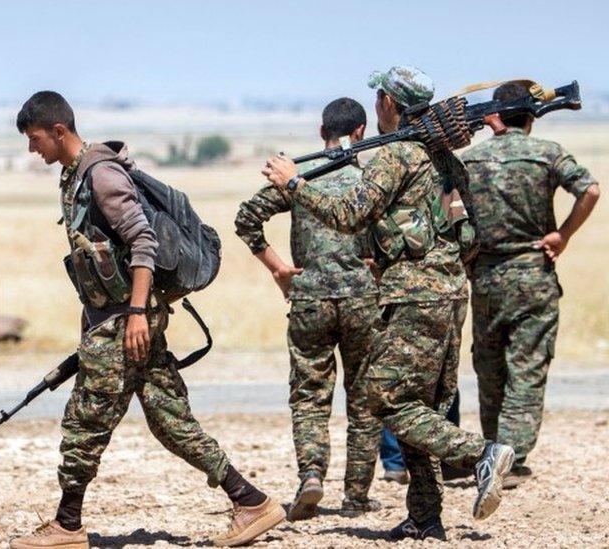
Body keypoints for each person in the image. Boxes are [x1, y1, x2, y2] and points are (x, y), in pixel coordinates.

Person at [8, 92, 284, 548]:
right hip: (117, 319)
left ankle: (67, 525)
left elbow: (143, 241)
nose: (31, 149)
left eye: (35, 139)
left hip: (126, 321)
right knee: (170, 417)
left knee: (84, 424)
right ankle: (250, 500)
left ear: (59, 131)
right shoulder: (75, 176)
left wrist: (137, 312)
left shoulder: (100, 175)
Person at [261, 66, 515, 541]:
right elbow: (472, 233)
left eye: (379, 96)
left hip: (413, 297)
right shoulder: (443, 159)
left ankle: (482, 454)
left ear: (389, 103)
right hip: (449, 293)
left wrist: (293, 184)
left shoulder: (395, 154)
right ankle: (424, 516)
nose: (376, 104)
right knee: (423, 407)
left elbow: (348, 212)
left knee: (383, 396)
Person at [235, 98, 382, 520]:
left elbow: (247, 218)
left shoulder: (303, 176)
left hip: (309, 298)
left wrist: (279, 268)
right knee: (364, 398)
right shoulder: (370, 180)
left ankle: (311, 476)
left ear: (322, 133)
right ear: (360, 133)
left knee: (309, 396)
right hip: (362, 299)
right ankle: (356, 494)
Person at [462, 81, 600, 488]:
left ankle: (493, 450)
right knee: (527, 367)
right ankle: (511, 455)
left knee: (490, 368)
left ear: (495, 117)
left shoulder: (470, 160)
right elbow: (590, 189)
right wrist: (564, 235)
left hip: (486, 278)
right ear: (530, 118)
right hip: (533, 275)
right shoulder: (547, 153)